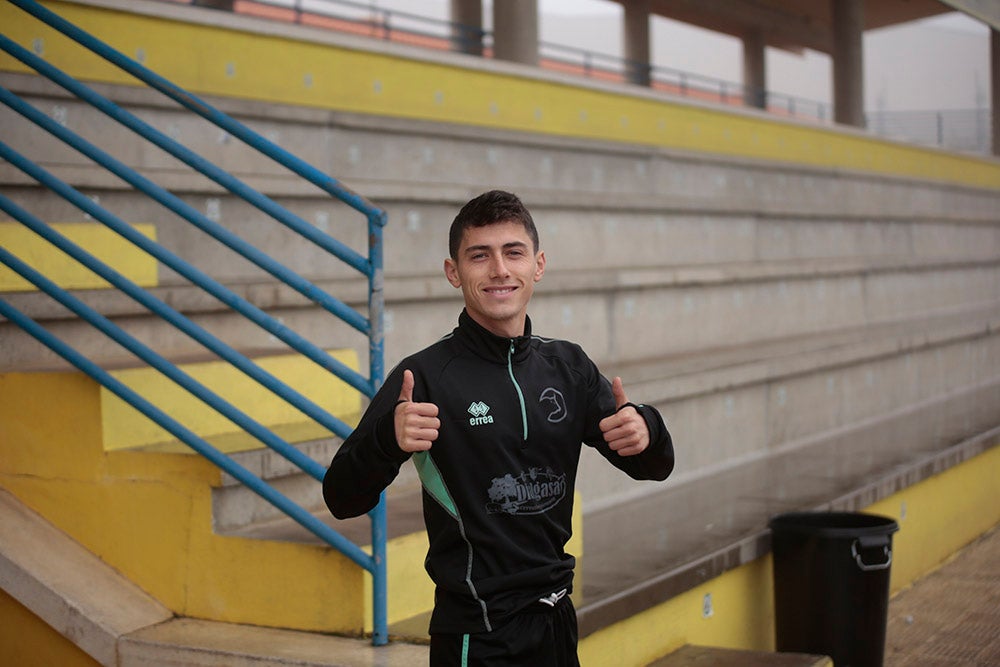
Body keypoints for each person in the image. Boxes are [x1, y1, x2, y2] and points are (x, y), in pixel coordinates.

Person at [324, 190, 674, 666]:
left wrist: (647, 428)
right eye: (479, 256)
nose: (499, 270)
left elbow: (652, 467)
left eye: (513, 252)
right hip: (477, 636)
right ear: (454, 272)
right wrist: (388, 438)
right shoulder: (425, 377)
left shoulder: (567, 367)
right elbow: (342, 498)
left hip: (555, 621)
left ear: (538, 264)